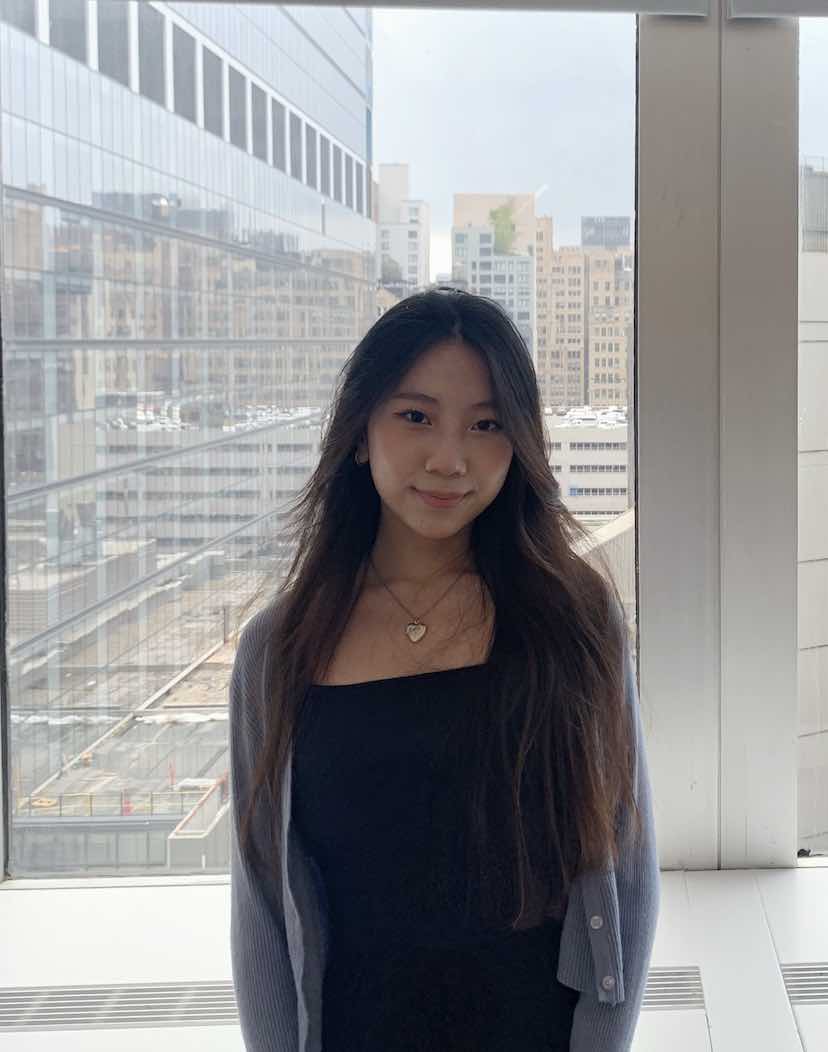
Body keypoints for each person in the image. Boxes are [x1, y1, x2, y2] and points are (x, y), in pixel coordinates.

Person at [229, 287, 660, 1052]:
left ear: (519, 442)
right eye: (416, 416)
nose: (449, 459)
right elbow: (265, 904)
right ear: (361, 433)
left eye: (487, 424)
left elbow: (624, 865)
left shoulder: (574, 618)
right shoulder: (279, 649)